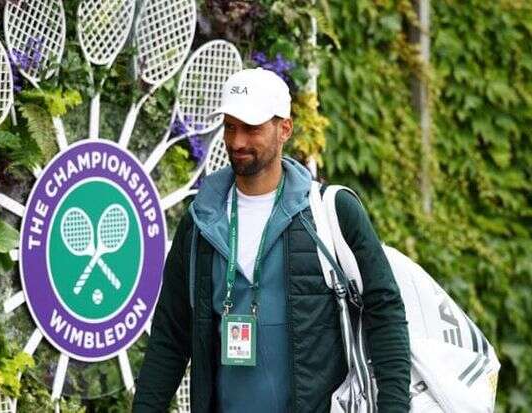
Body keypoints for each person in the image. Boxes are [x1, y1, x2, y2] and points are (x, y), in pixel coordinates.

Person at [133, 68, 410, 412]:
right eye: (230, 127)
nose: (236, 142)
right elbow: (170, 338)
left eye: (251, 128)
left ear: (285, 130)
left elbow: (384, 309)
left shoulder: (331, 212)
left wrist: (394, 407)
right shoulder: (201, 221)